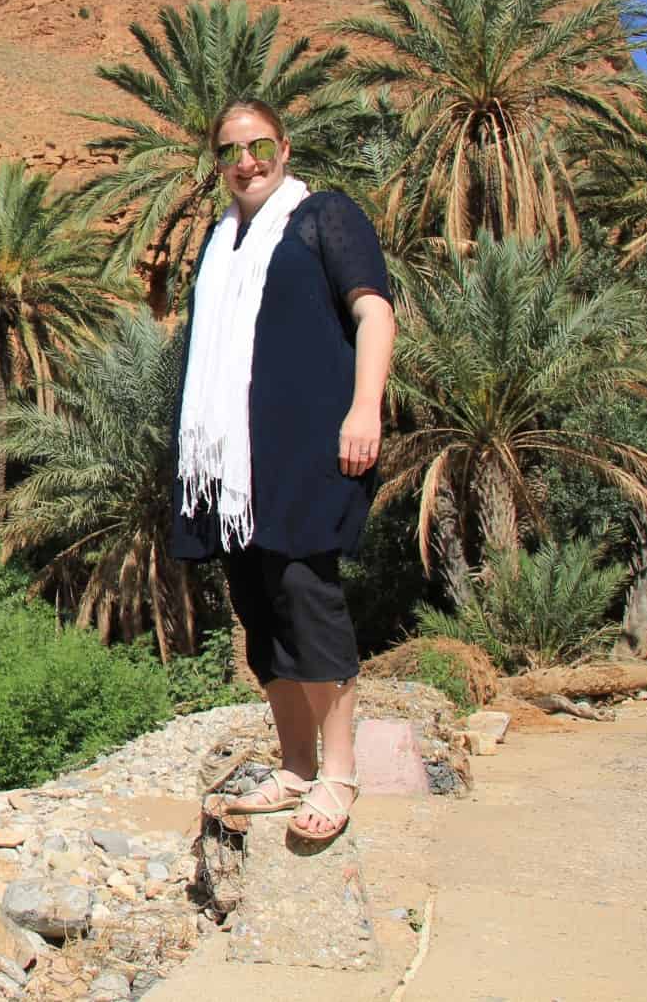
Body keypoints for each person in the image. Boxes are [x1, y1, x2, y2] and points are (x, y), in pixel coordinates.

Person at [169, 98, 396, 843]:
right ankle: (294, 763)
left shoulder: (323, 216)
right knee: (257, 604)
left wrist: (366, 407)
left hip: (306, 449)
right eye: (230, 150)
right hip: (232, 469)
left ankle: (339, 771)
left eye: (258, 144)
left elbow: (373, 313)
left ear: (284, 146)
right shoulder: (221, 239)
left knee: (307, 595)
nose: (246, 161)